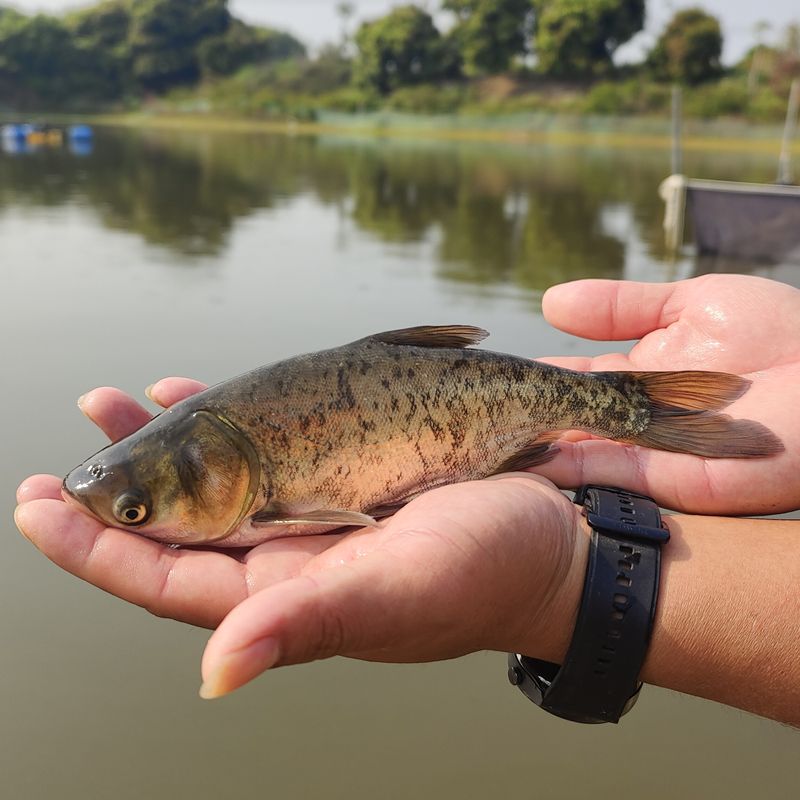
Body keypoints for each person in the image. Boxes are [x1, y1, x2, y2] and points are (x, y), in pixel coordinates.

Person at [14, 274, 800, 726]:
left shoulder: (241, 462)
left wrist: (566, 584)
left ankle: (635, 410)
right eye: (133, 513)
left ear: (215, 470)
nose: (140, 525)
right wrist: (563, 588)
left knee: (622, 405)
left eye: (136, 513)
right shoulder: (218, 429)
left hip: (489, 413)